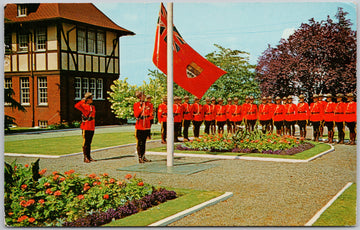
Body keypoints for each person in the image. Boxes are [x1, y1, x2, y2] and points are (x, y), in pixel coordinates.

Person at [75, 92, 96, 163]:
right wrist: (83, 100)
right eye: (91, 98)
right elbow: (76, 105)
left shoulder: (92, 107)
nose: (92, 99)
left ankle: (89, 157)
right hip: (86, 126)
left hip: (91, 126)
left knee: (89, 142)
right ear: (88, 99)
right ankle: (85, 157)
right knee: (85, 142)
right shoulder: (83, 105)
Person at [133, 91, 152, 163]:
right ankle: (139, 157)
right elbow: (136, 114)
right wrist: (141, 108)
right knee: (139, 142)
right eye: (143, 95)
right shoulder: (136, 104)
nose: (144, 96)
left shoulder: (148, 104)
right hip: (139, 125)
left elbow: (150, 113)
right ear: (140, 97)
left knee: (144, 142)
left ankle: (143, 156)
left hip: (146, 124)